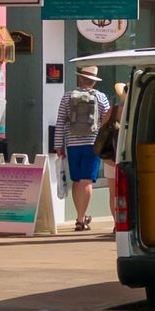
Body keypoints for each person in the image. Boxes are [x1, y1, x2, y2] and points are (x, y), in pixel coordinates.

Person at [54, 67, 115, 233]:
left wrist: (58, 145)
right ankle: (81, 219)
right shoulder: (101, 97)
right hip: (93, 144)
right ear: (94, 81)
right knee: (86, 181)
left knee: (77, 180)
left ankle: (80, 216)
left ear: (80, 79)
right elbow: (109, 121)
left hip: (73, 145)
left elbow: (60, 121)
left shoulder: (67, 96)